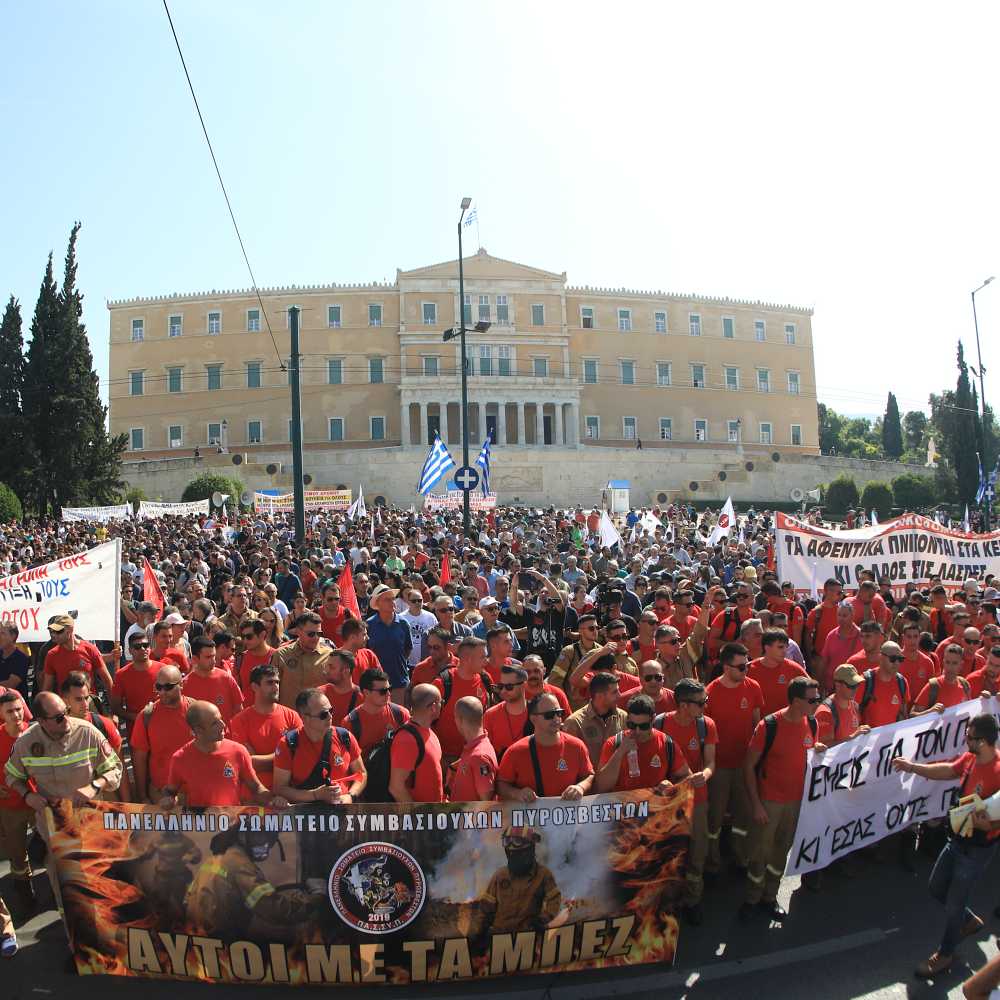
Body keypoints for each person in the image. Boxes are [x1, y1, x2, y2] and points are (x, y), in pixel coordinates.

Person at [893, 713, 1000, 978]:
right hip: (957, 838)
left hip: (976, 849)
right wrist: (913, 767)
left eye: (970, 737)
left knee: (954, 902)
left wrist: (992, 826)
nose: (965, 740)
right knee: (936, 887)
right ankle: (967, 920)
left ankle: (945, 953)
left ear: (984, 741)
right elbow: (948, 770)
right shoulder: (971, 759)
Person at [741, 676, 823, 923]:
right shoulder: (769, 726)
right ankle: (752, 898)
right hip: (770, 803)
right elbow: (749, 767)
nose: (816, 703)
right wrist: (756, 804)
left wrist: (818, 749)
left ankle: (770, 896)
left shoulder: (812, 722)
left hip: (796, 803)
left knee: (780, 852)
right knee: (760, 852)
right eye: (812, 699)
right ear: (797, 701)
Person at [5, 691, 123, 822]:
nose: (67, 720)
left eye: (66, 711)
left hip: (90, 819)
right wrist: (28, 795)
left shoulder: (88, 733)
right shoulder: (25, 743)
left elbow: (115, 769)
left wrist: (94, 786)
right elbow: (12, 775)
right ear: (42, 721)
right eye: (59, 718)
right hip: (54, 824)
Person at [657, 678, 717, 924]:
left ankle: (693, 901)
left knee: (697, 852)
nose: (705, 706)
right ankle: (668, 903)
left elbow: (711, 761)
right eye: (701, 702)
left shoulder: (706, 725)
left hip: (698, 800)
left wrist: (705, 774)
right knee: (669, 852)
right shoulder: (660, 724)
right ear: (683, 705)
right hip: (668, 802)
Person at [160, 701, 287, 809]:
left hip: (231, 830)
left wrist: (273, 800)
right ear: (198, 730)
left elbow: (256, 788)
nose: (223, 725)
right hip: (200, 832)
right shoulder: (180, 758)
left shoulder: (238, 751)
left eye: (220, 718)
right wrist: (168, 799)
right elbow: (170, 791)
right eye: (215, 723)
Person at [705, 642, 763, 876]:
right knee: (715, 818)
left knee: (744, 815)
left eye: (747, 664)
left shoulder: (753, 687)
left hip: (744, 766)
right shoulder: (710, 693)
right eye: (740, 667)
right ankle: (712, 862)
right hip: (719, 767)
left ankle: (741, 858)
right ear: (725, 667)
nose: (745, 670)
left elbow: (757, 724)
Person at [273, 688, 366, 804]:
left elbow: (361, 774)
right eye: (323, 714)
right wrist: (315, 795)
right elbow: (279, 788)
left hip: (342, 813)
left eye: (331, 711)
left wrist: (350, 796)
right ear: (305, 718)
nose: (330, 717)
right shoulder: (288, 743)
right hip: (306, 816)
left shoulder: (345, 737)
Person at [497, 692, 594, 802]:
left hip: (568, 817)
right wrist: (517, 793)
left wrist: (580, 787)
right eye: (549, 715)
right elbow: (501, 785)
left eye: (559, 713)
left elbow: (589, 776)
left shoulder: (577, 746)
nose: (556, 718)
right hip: (530, 818)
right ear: (533, 719)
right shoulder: (515, 751)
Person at [595, 693, 690, 793]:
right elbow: (601, 786)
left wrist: (673, 787)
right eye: (632, 725)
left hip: (655, 806)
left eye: (643, 726)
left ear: (653, 719)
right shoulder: (614, 743)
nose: (637, 731)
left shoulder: (667, 744)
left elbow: (686, 777)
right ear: (628, 719)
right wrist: (620, 752)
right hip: (624, 806)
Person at [229, 665, 303, 790]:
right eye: (270, 683)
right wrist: (285, 757)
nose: (276, 687)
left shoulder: (292, 716)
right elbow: (249, 763)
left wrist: (265, 760)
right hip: (254, 794)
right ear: (254, 687)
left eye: (277, 682)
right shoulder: (239, 721)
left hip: (288, 793)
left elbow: (300, 756)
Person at [61, 671, 131, 801]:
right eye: (78, 699)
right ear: (66, 700)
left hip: (102, 796)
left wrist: (126, 806)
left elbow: (120, 768)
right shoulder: (56, 729)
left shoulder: (104, 724)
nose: (85, 704)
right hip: (69, 799)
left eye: (87, 698)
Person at [130, 665, 194, 803]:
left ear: (181, 684)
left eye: (168, 687)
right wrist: (143, 797)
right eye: (159, 687)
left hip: (195, 794)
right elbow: (139, 758)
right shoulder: (146, 715)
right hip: (161, 795)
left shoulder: (196, 711)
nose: (162, 692)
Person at [480, 826, 561, 934]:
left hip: (527, 937)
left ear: (530, 850)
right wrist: (483, 927)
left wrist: (542, 920)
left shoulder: (543, 875)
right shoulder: (500, 875)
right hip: (500, 937)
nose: (514, 857)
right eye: (511, 853)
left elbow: (554, 900)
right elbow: (486, 907)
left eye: (519, 853)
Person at [432, 636, 494, 760]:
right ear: (467, 659)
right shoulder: (442, 683)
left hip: (474, 755)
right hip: (444, 757)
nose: (487, 661)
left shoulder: (485, 680)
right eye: (482, 657)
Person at [0, 691, 33, 913]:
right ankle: (25, 895)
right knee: (17, 854)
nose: (16, 714)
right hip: (10, 807)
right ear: (1, 715)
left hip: (39, 802)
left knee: (55, 848)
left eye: (19, 709)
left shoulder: (36, 733)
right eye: (10, 711)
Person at [388, 683, 444, 803]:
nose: (442, 706)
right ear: (433, 707)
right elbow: (396, 788)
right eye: (441, 702)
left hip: (433, 816)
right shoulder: (406, 740)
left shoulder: (429, 731)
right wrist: (416, 816)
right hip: (419, 818)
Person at [41, 614, 115, 698]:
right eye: (52, 631)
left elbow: (107, 680)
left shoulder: (90, 649)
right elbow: (47, 688)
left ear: (70, 630)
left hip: (89, 704)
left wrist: (114, 707)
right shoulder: (51, 655)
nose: (54, 635)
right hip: (66, 706)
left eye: (58, 631)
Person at [564, 672, 628, 768]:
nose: (620, 695)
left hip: (618, 780)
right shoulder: (574, 723)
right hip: (589, 780)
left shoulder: (623, 717)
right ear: (599, 696)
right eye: (615, 692)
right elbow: (571, 761)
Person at [272, 611, 334, 709]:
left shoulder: (330, 656)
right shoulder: (281, 655)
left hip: (317, 718)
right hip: (290, 718)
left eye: (319, 634)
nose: (316, 638)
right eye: (311, 634)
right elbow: (271, 689)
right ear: (298, 632)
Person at [344, 668, 411, 754]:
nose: (388, 694)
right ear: (366, 692)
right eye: (383, 691)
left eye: (389, 689)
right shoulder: (350, 723)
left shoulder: (401, 714)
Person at [366, 584, 412, 702]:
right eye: (387, 599)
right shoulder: (369, 625)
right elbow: (366, 653)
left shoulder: (403, 624)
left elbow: (407, 649)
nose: (392, 602)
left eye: (393, 599)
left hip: (399, 682)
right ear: (378, 603)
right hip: (376, 686)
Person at [447, 697, 498, 802]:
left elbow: (485, 803)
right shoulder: (477, 747)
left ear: (460, 719)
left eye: (455, 717)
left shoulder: (479, 756)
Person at [182, 636, 243, 723]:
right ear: (195, 659)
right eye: (208, 657)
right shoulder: (185, 685)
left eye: (214, 656)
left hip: (225, 736)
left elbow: (239, 709)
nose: (213, 661)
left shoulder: (226, 678)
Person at [748, 629, 808, 716]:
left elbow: (812, 692)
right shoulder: (749, 670)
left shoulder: (794, 668)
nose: (785, 651)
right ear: (767, 647)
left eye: (786, 647)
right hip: (759, 725)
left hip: (787, 724)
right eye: (780, 647)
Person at [111, 632, 160, 736]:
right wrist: (138, 717)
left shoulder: (163, 670)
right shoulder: (121, 675)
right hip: (136, 730)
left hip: (161, 727)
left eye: (146, 645)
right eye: (137, 647)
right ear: (130, 650)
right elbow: (116, 708)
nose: (143, 649)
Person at [855, 641, 910, 728]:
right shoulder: (866, 681)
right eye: (892, 659)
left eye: (900, 659)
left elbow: (903, 715)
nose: (896, 663)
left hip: (890, 740)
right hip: (867, 739)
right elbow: (852, 713)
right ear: (881, 657)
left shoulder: (902, 682)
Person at [484, 664, 530, 759]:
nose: (503, 691)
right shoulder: (490, 715)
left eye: (509, 687)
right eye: (501, 686)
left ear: (524, 685)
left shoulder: (537, 712)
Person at [815, 664, 869, 745]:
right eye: (851, 685)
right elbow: (824, 749)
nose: (855, 689)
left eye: (857, 684)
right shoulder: (825, 712)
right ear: (838, 685)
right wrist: (853, 737)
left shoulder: (854, 706)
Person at [911, 644, 972, 715]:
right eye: (947, 662)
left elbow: (970, 711)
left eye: (954, 663)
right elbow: (912, 716)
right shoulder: (933, 686)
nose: (950, 667)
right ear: (943, 662)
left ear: (961, 665)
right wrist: (930, 711)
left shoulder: (965, 685)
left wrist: (984, 700)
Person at [234, 619, 274, 702]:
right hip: (246, 712)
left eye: (249, 637)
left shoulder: (276, 657)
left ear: (262, 635)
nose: (245, 641)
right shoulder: (240, 659)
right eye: (243, 637)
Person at [319, 649, 363, 724]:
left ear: (346, 671)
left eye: (332, 667)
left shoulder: (362, 698)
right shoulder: (319, 694)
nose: (327, 671)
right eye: (326, 666)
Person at [399, 588, 438, 667]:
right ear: (408, 601)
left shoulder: (431, 617)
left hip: (428, 662)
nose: (417, 603)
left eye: (420, 600)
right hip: (408, 663)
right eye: (414, 601)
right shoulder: (401, 618)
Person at [0, 625, 30, 697]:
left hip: (14, 704)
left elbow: (10, 684)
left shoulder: (21, 658)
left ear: (13, 636)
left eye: (2, 633)